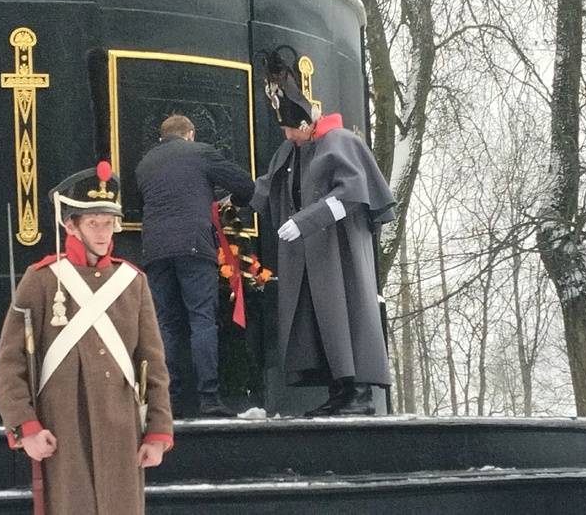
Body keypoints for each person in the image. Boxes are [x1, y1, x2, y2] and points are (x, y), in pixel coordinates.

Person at [0, 161, 173, 514]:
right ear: (70, 225)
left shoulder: (132, 282)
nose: (103, 232)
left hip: (121, 428)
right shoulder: (41, 279)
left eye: (108, 223)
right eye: (93, 223)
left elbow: (152, 364)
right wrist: (26, 426)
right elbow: (10, 363)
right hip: (63, 424)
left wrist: (157, 432)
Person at [250, 46, 396, 416]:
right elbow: (268, 185)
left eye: (288, 128)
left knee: (347, 311)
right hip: (311, 253)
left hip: (339, 249)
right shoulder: (295, 149)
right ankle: (340, 389)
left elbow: (351, 194)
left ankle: (360, 393)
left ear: (303, 124)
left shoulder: (340, 142)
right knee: (321, 319)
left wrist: (304, 222)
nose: (286, 135)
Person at [135, 114, 255, 417]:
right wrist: (233, 201)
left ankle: (168, 400)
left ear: (162, 136)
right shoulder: (200, 152)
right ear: (189, 134)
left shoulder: (145, 163)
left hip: (155, 250)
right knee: (202, 319)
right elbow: (245, 185)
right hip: (194, 245)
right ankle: (209, 398)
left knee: (166, 324)